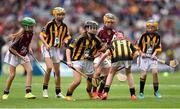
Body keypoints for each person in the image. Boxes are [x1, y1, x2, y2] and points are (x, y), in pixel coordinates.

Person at [65, 20, 103, 101]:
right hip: (77, 61)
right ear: (86, 29)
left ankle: (90, 93)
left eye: (95, 28)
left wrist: (94, 56)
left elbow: (101, 50)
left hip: (89, 62)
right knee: (77, 81)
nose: (94, 29)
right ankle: (68, 94)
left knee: (90, 83)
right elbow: (68, 49)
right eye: (92, 28)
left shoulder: (97, 40)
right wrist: (69, 61)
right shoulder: (80, 38)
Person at [95, 31, 138, 100]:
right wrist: (130, 60)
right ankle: (133, 95)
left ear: (116, 38)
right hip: (128, 58)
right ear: (123, 37)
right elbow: (136, 54)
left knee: (111, 73)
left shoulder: (113, 43)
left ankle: (105, 92)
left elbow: (105, 55)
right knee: (129, 73)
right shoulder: (128, 42)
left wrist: (98, 64)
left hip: (116, 59)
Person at [39, 7, 71, 98]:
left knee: (57, 72)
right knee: (49, 67)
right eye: (59, 14)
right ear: (54, 15)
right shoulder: (49, 24)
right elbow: (41, 35)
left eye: (62, 14)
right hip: (47, 48)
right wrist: (46, 44)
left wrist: (66, 41)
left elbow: (67, 37)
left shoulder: (64, 26)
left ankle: (58, 92)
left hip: (56, 49)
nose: (61, 16)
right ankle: (45, 89)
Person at [93, 13, 127, 98]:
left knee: (108, 75)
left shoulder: (114, 33)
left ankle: (100, 92)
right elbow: (95, 45)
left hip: (107, 56)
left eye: (112, 22)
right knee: (97, 73)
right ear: (105, 22)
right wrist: (99, 53)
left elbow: (114, 46)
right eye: (108, 22)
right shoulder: (100, 32)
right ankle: (94, 92)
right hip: (98, 54)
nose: (110, 24)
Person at [2, 17, 36, 100]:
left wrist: (29, 48)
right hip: (14, 55)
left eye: (32, 26)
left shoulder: (31, 33)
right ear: (26, 26)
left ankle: (28, 92)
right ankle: (6, 92)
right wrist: (21, 57)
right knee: (12, 75)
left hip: (23, 54)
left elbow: (28, 42)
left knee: (30, 70)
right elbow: (11, 49)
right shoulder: (20, 36)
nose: (32, 28)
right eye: (30, 26)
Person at [137, 19, 162, 99]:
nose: (150, 29)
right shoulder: (143, 36)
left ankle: (156, 91)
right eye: (148, 27)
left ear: (155, 28)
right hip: (143, 57)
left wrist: (154, 55)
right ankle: (141, 92)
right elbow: (137, 47)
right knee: (144, 75)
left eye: (152, 28)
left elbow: (158, 47)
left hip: (152, 58)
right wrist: (142, 53)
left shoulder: (157, 36)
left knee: (155, 73)